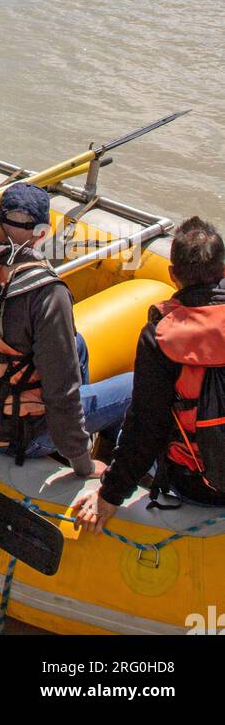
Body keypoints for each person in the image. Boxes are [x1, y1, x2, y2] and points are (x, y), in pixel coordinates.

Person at [0, 183, 131, 475]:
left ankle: (71, 441)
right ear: (44, 232)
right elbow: (62, 394)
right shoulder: (46, 294)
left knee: (77, 343)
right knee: (133, 386)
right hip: (10, 435)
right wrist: (82, 463)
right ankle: (100, 455)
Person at [73, 217, 225, 533]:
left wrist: (109, 495)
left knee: (126, 419)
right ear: (223, 271)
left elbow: (146, 427)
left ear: (172, 275)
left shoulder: (161, 337)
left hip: (198, 487)